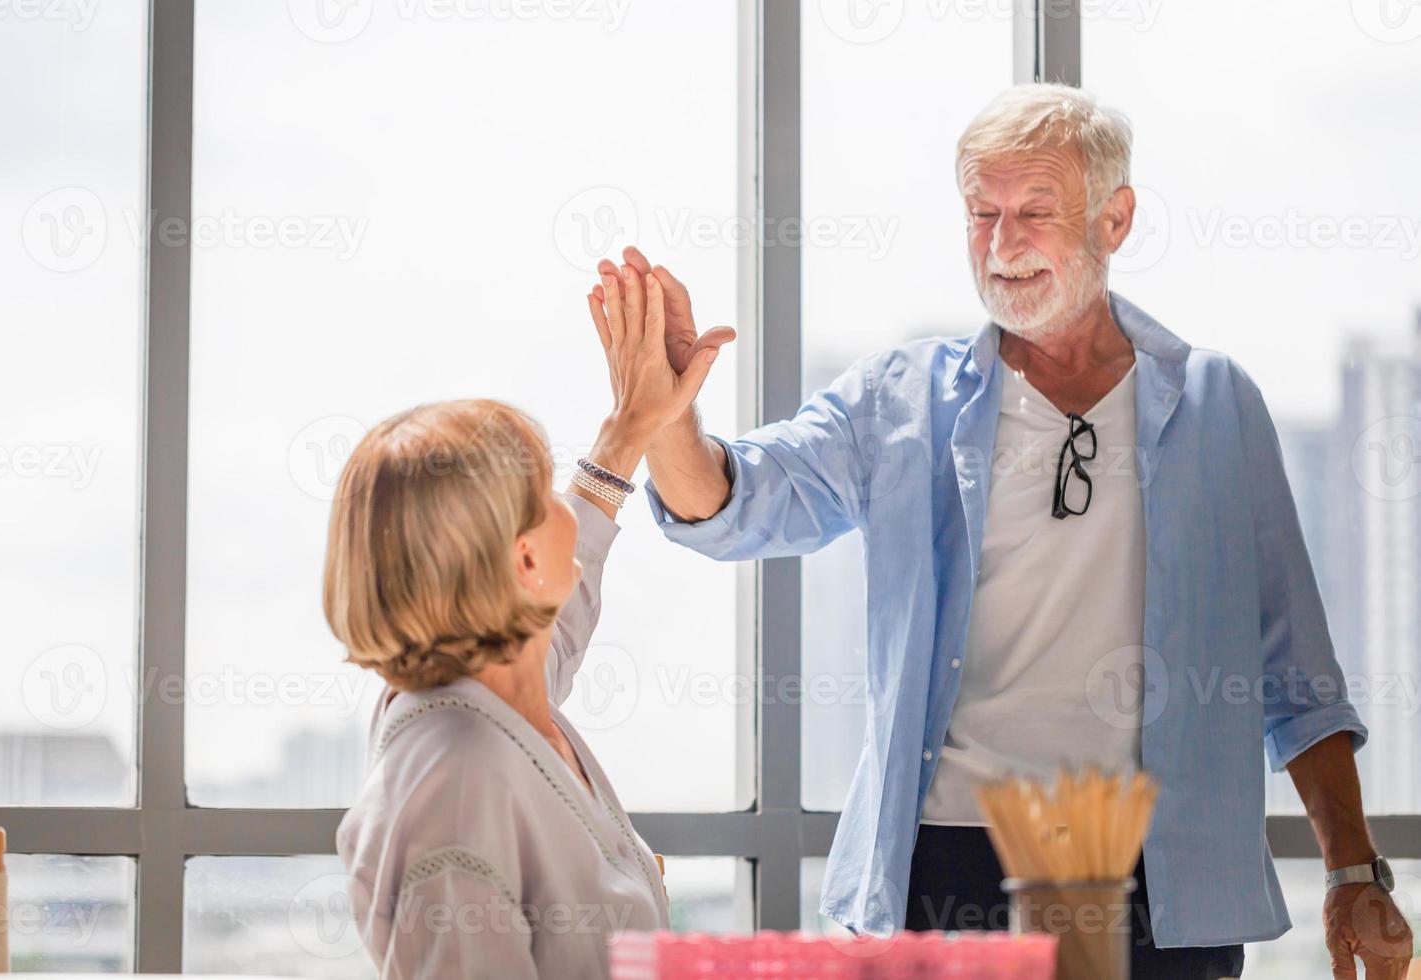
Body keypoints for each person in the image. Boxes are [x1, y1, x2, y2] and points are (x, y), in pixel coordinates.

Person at [588, 84, 1413, 979]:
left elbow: (1293, 671)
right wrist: (668, 418)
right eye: (980, 213)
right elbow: (729, 503)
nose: (1002, 243)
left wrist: (1351, 867)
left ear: (1115, 220)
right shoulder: (898, 398)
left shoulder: (1218, 404)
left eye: (1034, 212)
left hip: (1162, 878)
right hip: (944, 866)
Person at [330, 270, 724, 978]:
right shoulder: (455, 779)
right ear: (522, 561)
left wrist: (633, 422)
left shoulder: (500, 695)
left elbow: (562, 618)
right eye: (542, 494)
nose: (564, 506)